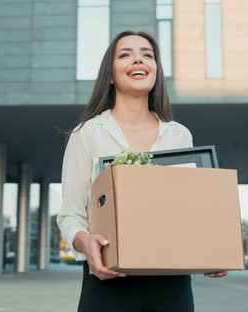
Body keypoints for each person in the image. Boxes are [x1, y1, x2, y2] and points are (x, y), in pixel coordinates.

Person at [57, 31, 228, 312]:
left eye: (147, 55)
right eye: (125, 54)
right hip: (107, 284)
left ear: (155, 72)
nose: (138, 59)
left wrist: (212, 247)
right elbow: (70, 215)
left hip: (171, 285)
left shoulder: (179, 136)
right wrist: (86, 241)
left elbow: (192, 211)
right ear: (110, 75)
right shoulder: (87, 135)